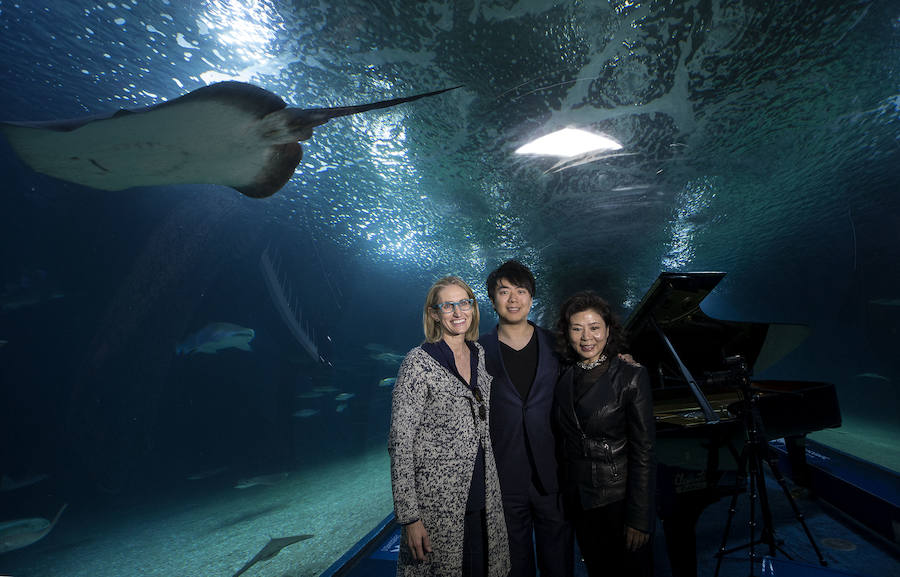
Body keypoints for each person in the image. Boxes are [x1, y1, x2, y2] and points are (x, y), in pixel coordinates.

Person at [388, 276, 511, 577]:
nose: (458, 313)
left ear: (473, 307)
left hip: (483, 493)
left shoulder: (478, 354)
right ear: (434, 314)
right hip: (439, 503)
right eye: (448, 306)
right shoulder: (417, 363)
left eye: (464, 303)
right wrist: (409, 518)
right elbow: (399, 443)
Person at [478, 260, 573, 577]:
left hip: (553, 475)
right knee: (512, 567)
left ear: (532, 297)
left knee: (558, 564)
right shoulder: (475, 350)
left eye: (521, 291)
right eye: (504, 292)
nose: (513, 299)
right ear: (492, 300)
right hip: (503, 478)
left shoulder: (558, 343)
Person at [553, 290, 656, 577]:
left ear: (608, 331)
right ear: (567, 333)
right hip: (581, 502)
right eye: (577, 329)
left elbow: (644, 451)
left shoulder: (631, 375)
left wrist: (640, 517)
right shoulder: (564, 375)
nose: (587, 337)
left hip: (619, 501)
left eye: (595, 328)